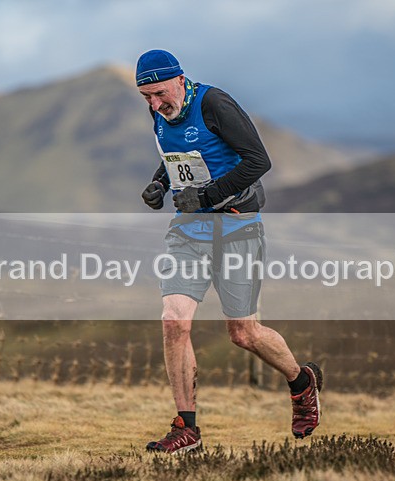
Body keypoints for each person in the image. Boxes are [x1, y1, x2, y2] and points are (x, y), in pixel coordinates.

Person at [136, 49, 323, 454]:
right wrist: (160, 185)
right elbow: (176, 158)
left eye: (159, 94)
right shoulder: (159, 113)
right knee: (174, 321)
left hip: (238, 227)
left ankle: (300, 381)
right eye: (146, 97)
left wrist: (206, 195)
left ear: (179, 80)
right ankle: (186, 428)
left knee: (243, 333)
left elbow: (259, 161)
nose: (154, 104)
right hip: (188, 233)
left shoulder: (214, 104)